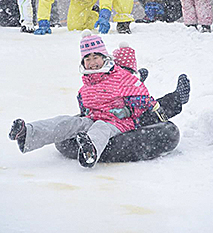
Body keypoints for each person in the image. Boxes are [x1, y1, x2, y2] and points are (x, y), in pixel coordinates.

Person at [9, 30, 190, 168]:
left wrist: (126, 110)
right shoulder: (85, 86)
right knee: (66, 122)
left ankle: (90, 151)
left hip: (117, 122)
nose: (92, 62)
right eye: (88, 58)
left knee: (101, 128)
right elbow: (84, 109)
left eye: (96, 57)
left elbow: (144, 101)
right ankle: (28, 133)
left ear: (105, 58)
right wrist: (85, 116)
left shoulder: (120, 77)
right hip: (94, 119)